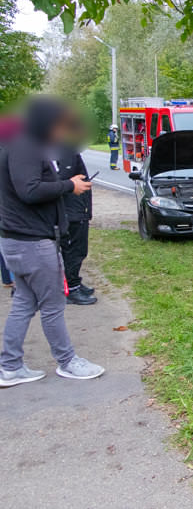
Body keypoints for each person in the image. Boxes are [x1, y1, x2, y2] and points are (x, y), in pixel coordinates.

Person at [0, 97, 105, 387]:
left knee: (23, 303)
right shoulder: (26, 146)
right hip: (32, 243)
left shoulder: (23, 143)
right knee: (54, 303)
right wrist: (69, 185)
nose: (63, 130)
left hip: (22, 241)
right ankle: (67, 361)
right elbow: (29, 190)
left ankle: (9, 367)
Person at [59, 145, 97, 305]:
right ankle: (71, 288)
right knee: (73, 250)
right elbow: (61, 179)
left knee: (79, 250)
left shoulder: (68, 149)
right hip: (70, 210)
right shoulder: (58, 150)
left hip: (78, 207)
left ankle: (75, 282)